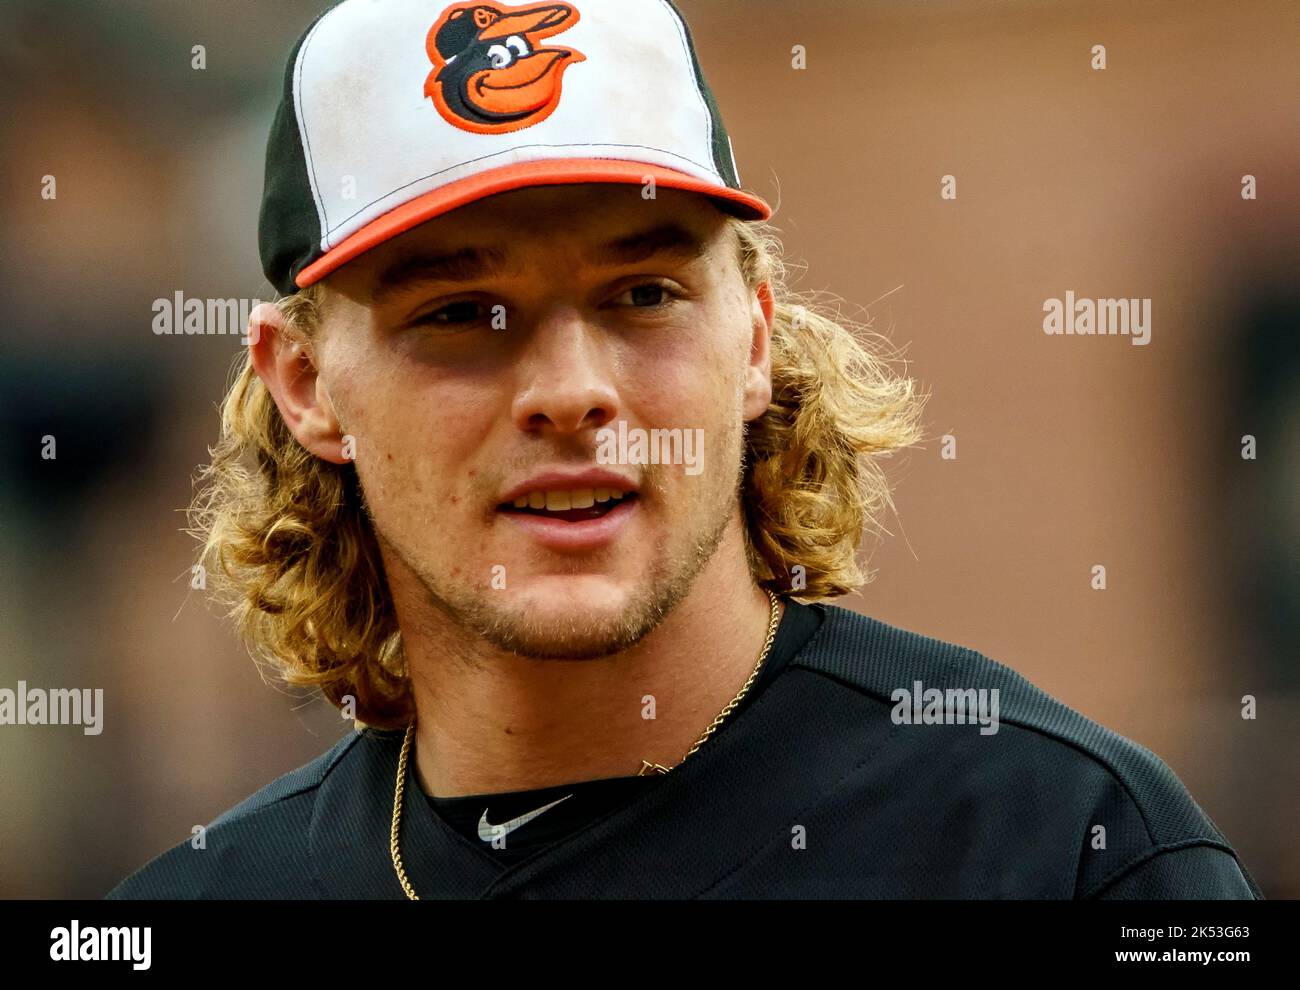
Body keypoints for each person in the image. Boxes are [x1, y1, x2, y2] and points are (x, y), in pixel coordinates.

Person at [108, 0, 1261, 899]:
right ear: (306, 385)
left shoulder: (1064, 847)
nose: (571, 393)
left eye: (643, 292)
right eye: (459, 314)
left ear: (752, 335)